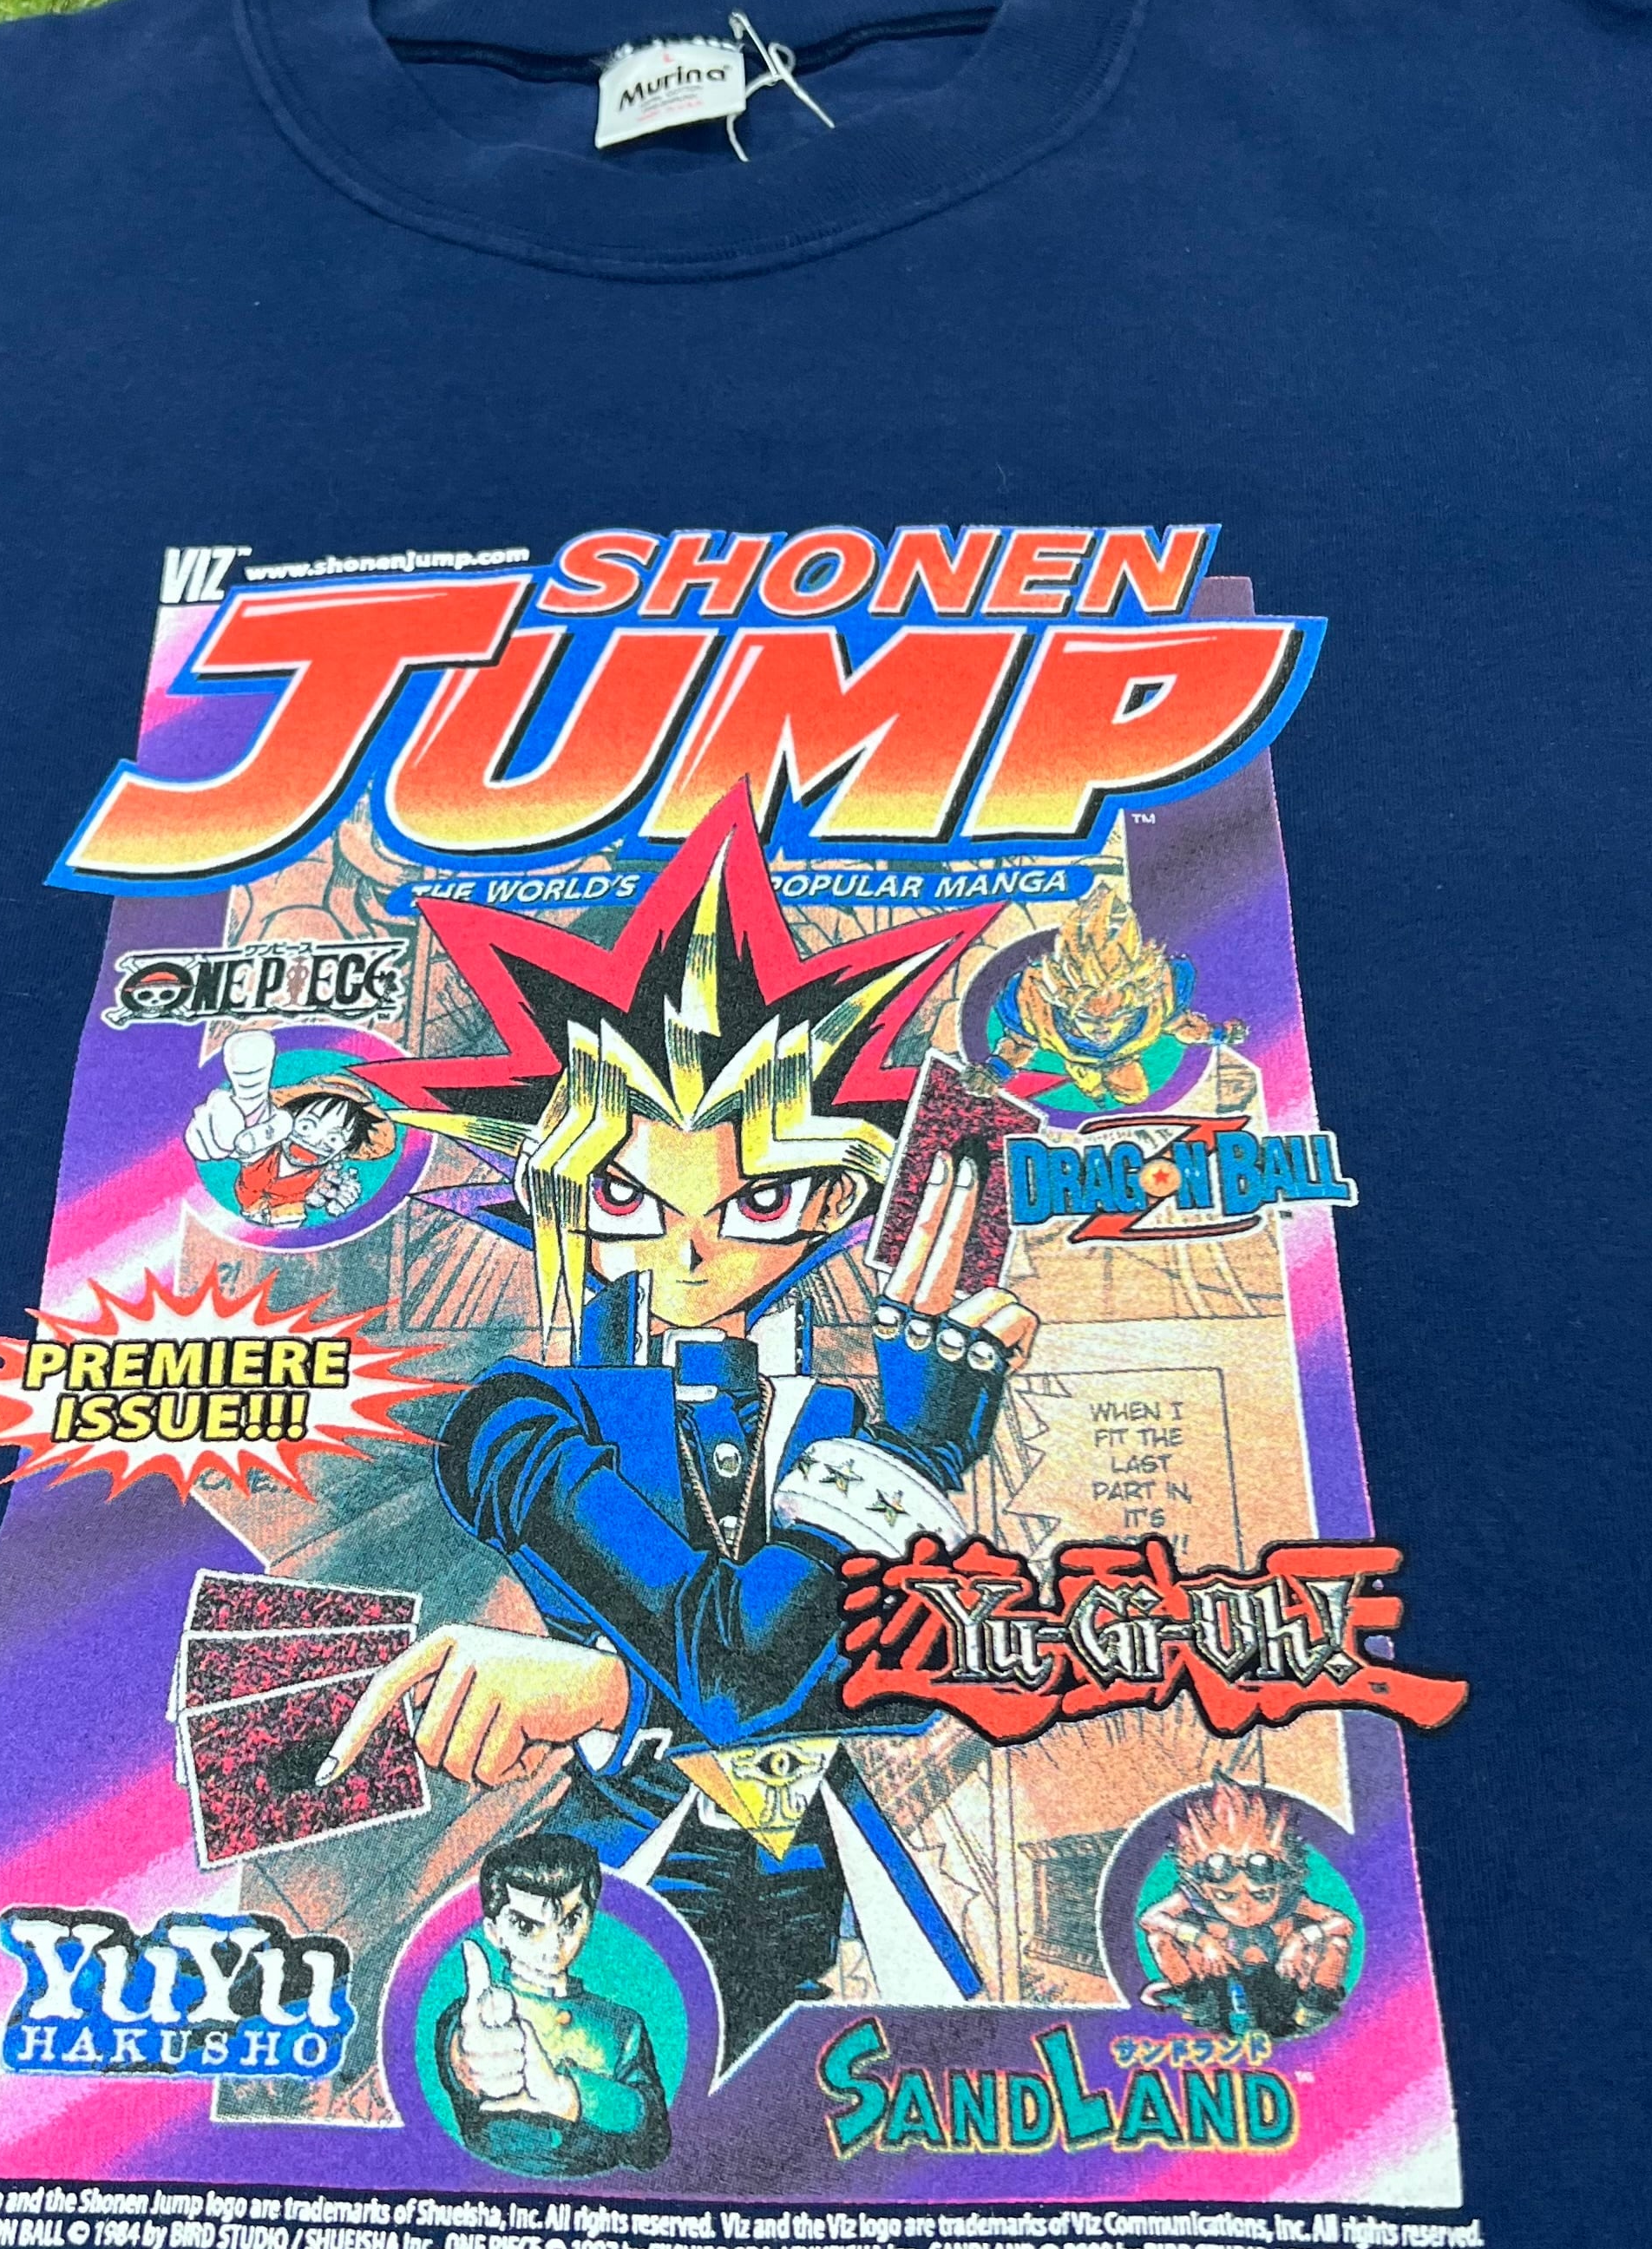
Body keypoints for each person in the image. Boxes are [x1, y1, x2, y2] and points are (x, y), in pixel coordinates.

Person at [321, 791, 1036, 2057]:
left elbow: (913, 1687)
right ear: (554, 1194)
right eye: (624, 1196)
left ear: (836, 1200)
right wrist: (915, 1454)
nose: (691, 1250)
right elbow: (738, 1662)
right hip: (610, 1887)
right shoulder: (520, 1427)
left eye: (757, 1200)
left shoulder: (824, 1417)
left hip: (824, 1891)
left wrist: (604, 1686)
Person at [433, 1833, 671, 2178]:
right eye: (526, 1926)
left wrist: (571, 2097)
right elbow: (464, 2051)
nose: (554, 1943)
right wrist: (470, 2057)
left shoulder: (622, 2024)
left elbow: (652, 2140)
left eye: (571, 1922)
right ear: (494, 1932)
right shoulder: (477, 2015)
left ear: (591, 1917)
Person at [1137, 1779, 1354, 2038]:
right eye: (1226, 1896)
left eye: (1260, 1894)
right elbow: (1150, 1919)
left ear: (1281, 1884)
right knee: (1159, 1938)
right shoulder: (1194, 1897)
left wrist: (1300, 1939)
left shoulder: (1291, 1901)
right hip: (1218, 1977)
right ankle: (1196, 2002)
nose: (1243, 1906)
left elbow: (1343, 1923)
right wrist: (1201, 1939)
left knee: (1336, 1944)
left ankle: (1314, 2010)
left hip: (1282, 1977)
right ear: (1205, 1889)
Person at [182, 1026, 397, 1227]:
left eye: (333, 1139)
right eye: (306, 1126)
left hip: (288, 1207)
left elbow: (327, 1195)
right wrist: (229, 1130)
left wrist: (339, 1197)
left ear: (345, 1149)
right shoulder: (263, 1152)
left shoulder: (322, 1174)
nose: (314, 1140)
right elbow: (243, 1147)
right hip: (250, 1201)